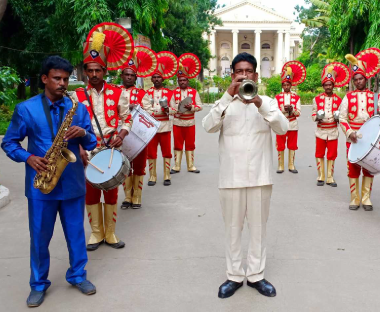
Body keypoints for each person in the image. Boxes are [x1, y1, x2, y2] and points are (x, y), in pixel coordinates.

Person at [1, 56, 98, 307]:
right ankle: (38, 284)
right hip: (41, 185)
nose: (63, 84)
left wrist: (84, 133)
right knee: (39, 237)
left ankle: (78, 275)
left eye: (66, 79)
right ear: (44, 79)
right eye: (57, 78)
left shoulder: (78, 108)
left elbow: (92, 143)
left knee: (76, 234)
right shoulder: (26, 109)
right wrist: (28, 157)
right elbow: (9, 142)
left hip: (73, 182)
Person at [202, 52, 289, 299]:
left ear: (256, 75)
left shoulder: (268, 102)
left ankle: (256, 275)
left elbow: (282, 128)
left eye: (248, 71)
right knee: (232, 228)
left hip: (260, 177)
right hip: (230, 178)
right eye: (239, 71)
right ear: (232, 75)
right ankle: (234, 276)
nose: (243, 75)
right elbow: (207, 126)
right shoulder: (225, 103)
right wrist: (227, 96)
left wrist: (260, 103)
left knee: (259, 228)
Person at [72, 24, 133, 251]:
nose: (95, 74)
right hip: (87, 150)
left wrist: (122, 134)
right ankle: (96, 233)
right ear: (86, 71)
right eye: (90, 70)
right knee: (91, 191)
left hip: (110, 148)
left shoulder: (118, 92)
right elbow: (70, 125)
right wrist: (77, 147)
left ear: (105, 70)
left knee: (111, 189)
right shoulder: (76, 96)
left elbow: (127, 118)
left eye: (99, 70)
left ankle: (110, 233)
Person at [340, 48, 380, 211]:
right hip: (353, 137)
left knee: (369, 168)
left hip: (371, 139)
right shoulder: (348, 97)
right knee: (353, 168)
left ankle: (366, 198)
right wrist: (350, 133)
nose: (358, 82)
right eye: (355, 79)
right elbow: (342, 118)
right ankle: (355, 198)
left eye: (361, 79)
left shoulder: (375, 97)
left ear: (365, 78)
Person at [119, 46, 156, 209]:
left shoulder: (142, 94)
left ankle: (137, 197)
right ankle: (127, 196)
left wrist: (138, 108)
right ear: (122, 75)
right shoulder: (114, 92)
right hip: (120, 136)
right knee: (124, 166)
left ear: (136, 77)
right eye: (126, 74)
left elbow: (151, 112)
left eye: (132, 75)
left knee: (139, 167)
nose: (129, 77)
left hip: (139, 136)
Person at [311, 63, 350, 187]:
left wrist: (338, 118)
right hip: (321, 131)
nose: (328, 87)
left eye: (330, 84)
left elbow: (343, 116)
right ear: (323, 86)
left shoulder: (339, 100)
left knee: (332, 155)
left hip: (333, 131)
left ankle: (330, 177)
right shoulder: (316, 99)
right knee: (319, 153)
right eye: (326, 84)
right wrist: (317, 117)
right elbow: (313, 114)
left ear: (333, 85)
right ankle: (321, 175)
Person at [146, 51, 178, 186]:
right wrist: (153, 111)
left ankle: (166, 176)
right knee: (151, 153)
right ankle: (152, 176)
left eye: (159, 77)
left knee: (166, 152)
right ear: (152, 79)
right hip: (151, 127)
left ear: (163, 79)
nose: (157, 79)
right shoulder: (147, 93)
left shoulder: (169, 93)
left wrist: (167, 110)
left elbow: (175, 109)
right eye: (155, 77)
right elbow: (144, 109)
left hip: (165, 126)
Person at [170, 53, 203, 174]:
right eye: (180, 80)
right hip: (177, 122)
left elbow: (200, 106)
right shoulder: (174, 93)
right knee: (177, 144)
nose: (182, 82)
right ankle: (177, 166)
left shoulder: (194, 92)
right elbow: (171, 107)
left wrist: (192, 107)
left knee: (190, 144)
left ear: (187, 80)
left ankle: (191, 166)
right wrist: (177, 109)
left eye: (184, 80)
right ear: (178, 81)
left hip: (190, 122)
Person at [275, 61, 306, 174]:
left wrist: (292, 110)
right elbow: (275, 111)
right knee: (280, 144)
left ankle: (291, 165)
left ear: (291, 85)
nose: (286, 86)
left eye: (288, 84)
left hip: (293, 124)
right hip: (281, 123)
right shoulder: (277, 97)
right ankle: (281, 165)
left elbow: (299, 113)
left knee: (292, 145)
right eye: (284, 85)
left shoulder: (296, 97)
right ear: (282, 86)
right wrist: (284, 109)